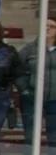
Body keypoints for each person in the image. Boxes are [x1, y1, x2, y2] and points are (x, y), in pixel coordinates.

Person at [19, 16, 56, 146]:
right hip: (32, 99)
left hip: (54, 100)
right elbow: (17, 70)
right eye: (45, 26)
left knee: (54, 137)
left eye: (51, 26)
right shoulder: (29, 49)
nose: (48, 29)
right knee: (31, 136)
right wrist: (24, 89)